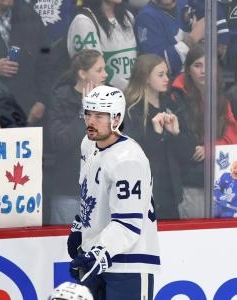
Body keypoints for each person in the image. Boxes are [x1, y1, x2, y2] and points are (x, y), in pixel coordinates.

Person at [68, 85, 160, 299]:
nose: (91, 121)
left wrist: (97, 255)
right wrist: (80, 228)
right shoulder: (88, 145)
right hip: (98, 257)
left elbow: (128, 223)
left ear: (116, 119)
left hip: (130, 264)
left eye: (99, 116)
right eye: (88, 114)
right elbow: (90, 194)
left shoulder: (128, 159)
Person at [170, 42, 237, 218]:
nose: (203, 71)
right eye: (197, 65)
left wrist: (212, 148)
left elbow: (232, 135)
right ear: (188, 70)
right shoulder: (176, 98)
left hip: (222, 177)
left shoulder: (221, 96)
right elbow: (183, 141)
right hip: (192, 181)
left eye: (208, 65)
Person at [124, 54, 194, 219]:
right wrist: (156, 134)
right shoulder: (131, 110)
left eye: (167, 74)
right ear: (146, 78)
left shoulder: (172, 104)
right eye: (160, 74)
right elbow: (132, 156)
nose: (166, 79)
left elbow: (188, 151)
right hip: (142, 195)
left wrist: (176, 134)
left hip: (171, 191)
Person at [47, 49, 107, 224]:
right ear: (82, 73)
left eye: (104, 69)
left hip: (102, 190)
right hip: (70, 190)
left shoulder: (110, 97)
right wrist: (84, 113)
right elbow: (60, 141)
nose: (105, 74)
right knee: (66, 248)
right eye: (99, 70)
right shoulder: (61, 97)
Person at [67, 0, 137, 91]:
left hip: (133, 95)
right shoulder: (83, 21)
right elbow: (91, 66)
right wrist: (129, 90)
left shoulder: (128, 16)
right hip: (103, 97)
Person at [134, 0, 205, 79]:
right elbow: (156, 67)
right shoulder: (146, 18)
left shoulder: (187, 4)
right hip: (172, 87)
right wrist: (192, 39)